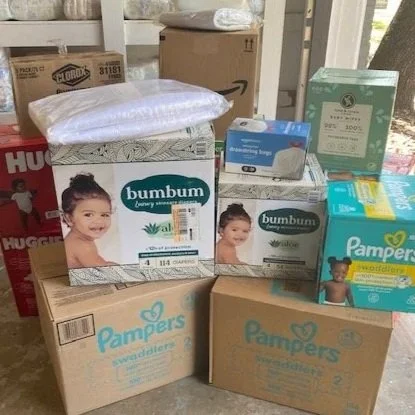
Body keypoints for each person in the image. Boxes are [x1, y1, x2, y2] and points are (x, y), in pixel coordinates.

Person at [61, 173, 116, 268]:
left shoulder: (79, 239)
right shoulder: (81, 245)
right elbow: (103, 270)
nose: (99, 221)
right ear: (69, 218)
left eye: (104, 215)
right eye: (88, 215)